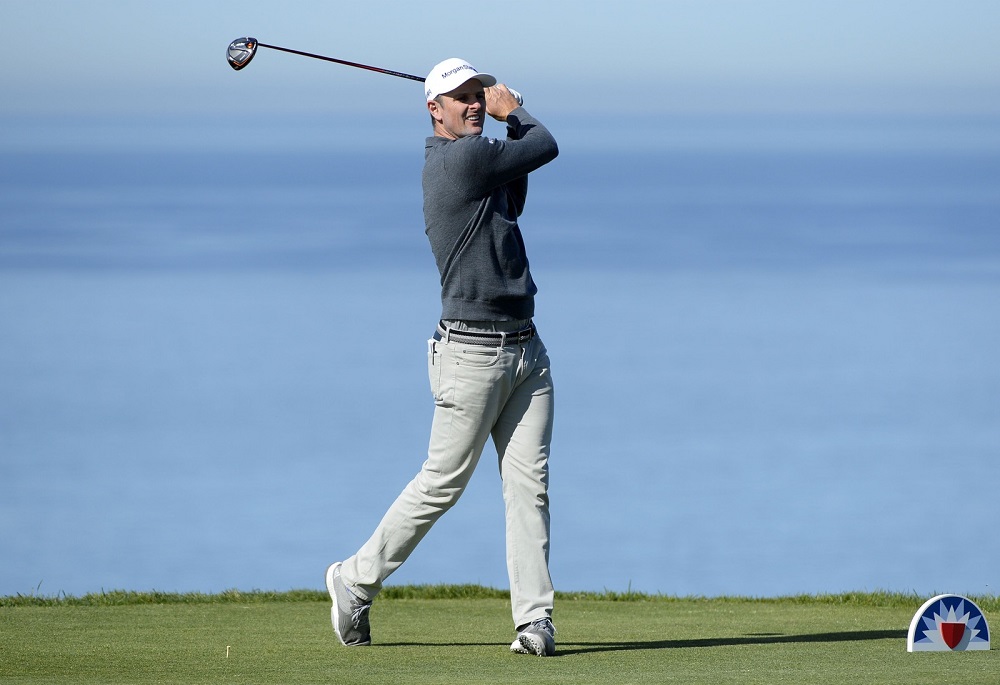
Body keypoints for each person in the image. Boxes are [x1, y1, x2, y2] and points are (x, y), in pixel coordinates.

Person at [324, 57, 560, 657]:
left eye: (480, 93)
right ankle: (353, 580)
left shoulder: (479, 160)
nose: (475, 103)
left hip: (526, 349)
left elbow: (517, 197)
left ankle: (534, 622)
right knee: (443, 483)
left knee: (528, 489)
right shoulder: (458, 160)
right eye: (462, 98)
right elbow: (546, 145)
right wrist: (517, 113)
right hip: (472, 355)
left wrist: (509, 125)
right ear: (435, 110)